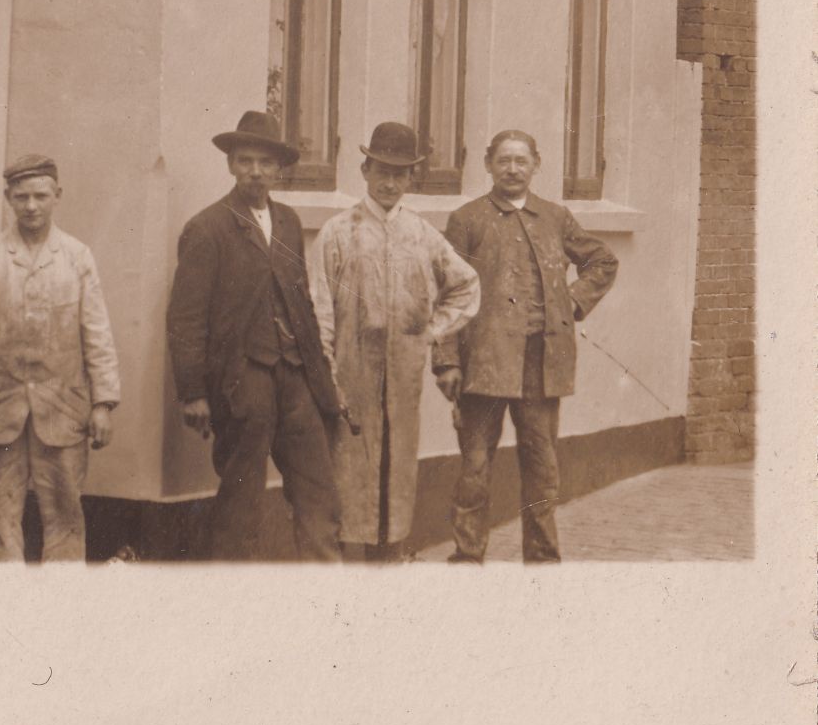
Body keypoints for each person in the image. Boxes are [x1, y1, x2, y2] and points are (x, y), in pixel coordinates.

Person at [433, 128, 618, 564]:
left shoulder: (555, 217)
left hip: (541, 366)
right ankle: (467, 558)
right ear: (488, 165)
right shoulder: (466, 220)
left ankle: (542, 560)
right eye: (503, 160)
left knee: (542, 470)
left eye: (521, 160)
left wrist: (572, 300)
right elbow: (445, 293)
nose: (512, 169)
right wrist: (446, 360)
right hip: (483, 366)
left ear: (536, 165)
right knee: (475, 470)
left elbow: (603, 261)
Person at [166, 110, 342, 562]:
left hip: (296, 376)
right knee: (241, 496)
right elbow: (186, 317)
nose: (256, 172)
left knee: (318, 489)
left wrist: (321, 376)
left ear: (278, 169)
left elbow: (300, 303)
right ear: (231, 165)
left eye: (265, 163)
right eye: (245, 161)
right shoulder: (207, 228)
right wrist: (192, 392)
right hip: (243, 379)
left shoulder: (287, 222)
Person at [310, 121, 480, 561]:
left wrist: (431, 331)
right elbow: (320, 310)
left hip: (403, 381)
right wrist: (329, 375)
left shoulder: (422, 234)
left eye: (399, 174)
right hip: (351, 378)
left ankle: (388, 566)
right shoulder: (338, 232)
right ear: (365, 170)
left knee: (397, 470)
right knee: (350, 475)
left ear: (411, 178)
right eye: (382, 171)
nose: (389, 183)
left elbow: (466, 286)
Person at [0, 152, 119, 562]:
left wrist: (103, 403)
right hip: (0, 407)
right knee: (0, 514)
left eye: (40, 196)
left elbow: (97, 333)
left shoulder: (77, 257)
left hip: (64, 408)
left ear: (57, 195)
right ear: (8, 197)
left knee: (64, 512)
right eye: (21, 196)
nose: (31, 206)